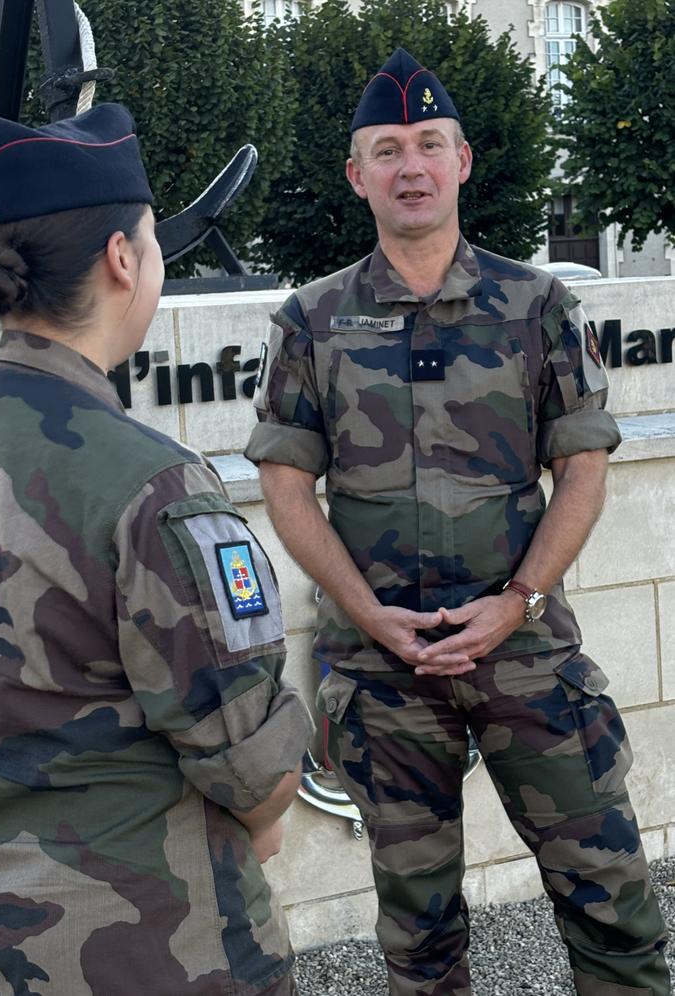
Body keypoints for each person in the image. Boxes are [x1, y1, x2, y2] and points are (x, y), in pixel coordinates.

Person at [245, 47, 669, 996]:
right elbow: (283, 483)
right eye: (387, 149)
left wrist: (516, 601)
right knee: (417, 930)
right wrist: (366, 615)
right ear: (357, 175)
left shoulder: (534, 305)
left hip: (525, 655)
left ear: (463, 161)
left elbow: (583, 465)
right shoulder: (311, 321)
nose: (411, 167)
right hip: (381, 672)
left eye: (430, 144)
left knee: (609, 900)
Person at [0, 103, 311, 996]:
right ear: (121, 258)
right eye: (150, 237)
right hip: (158, 952)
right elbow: (255, 775)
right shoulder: (156, 486)